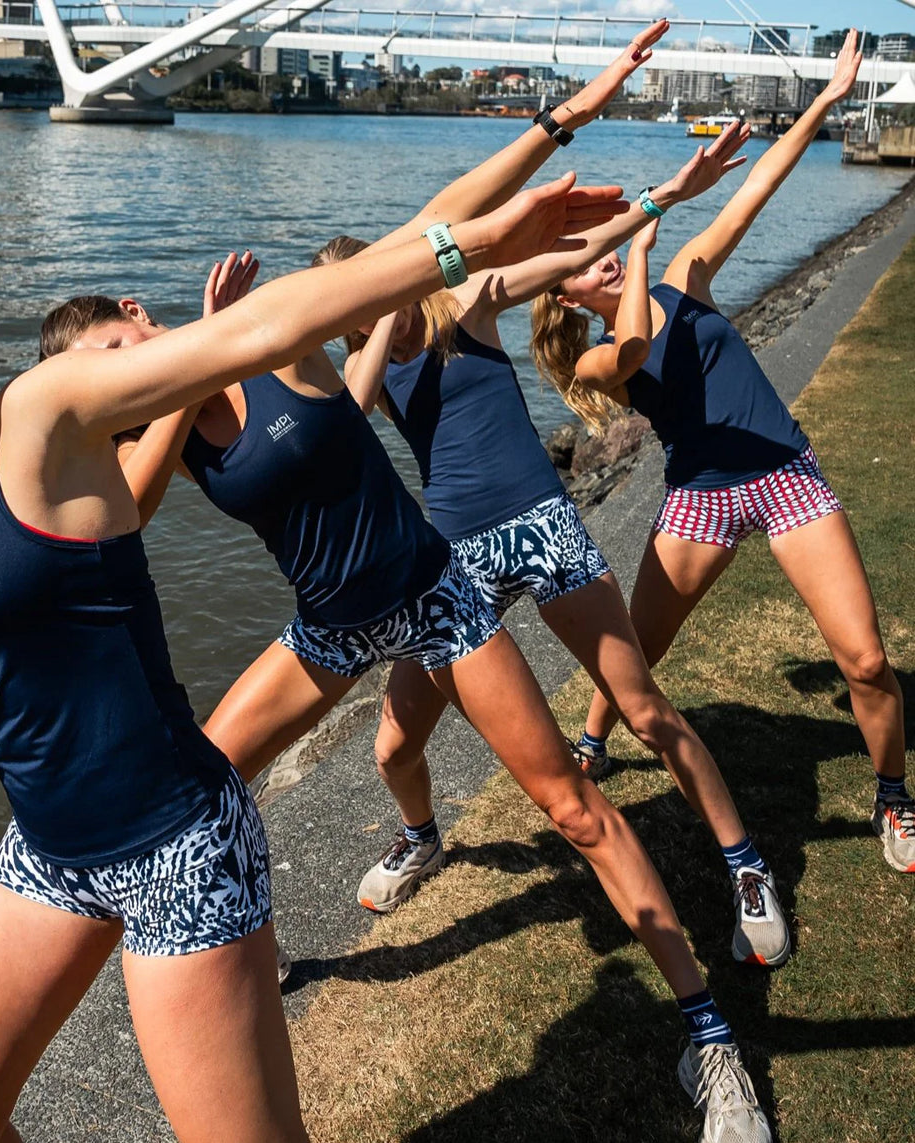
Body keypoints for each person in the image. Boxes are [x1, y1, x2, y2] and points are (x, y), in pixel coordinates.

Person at [0, 179, 599, 1143]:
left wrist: (463, 246)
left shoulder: (33, 421)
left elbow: (262, 328)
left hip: (174, 847)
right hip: (49, 854)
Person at [40, 26, 774, 1143]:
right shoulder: (159, 434)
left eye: (125, 348)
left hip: (434, 595)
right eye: (108, 377)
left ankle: (712, 1038)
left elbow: (434, 226)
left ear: (139, 309)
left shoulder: (278, 331)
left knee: (572, 808)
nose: (127, 373)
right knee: (199, 788)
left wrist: (569, 118)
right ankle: (237, 963)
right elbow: (119, 518)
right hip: (331, 626)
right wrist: (176, 380)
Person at [315, 120, 792, 969]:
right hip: (453, 564)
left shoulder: (469, 303)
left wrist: (662, 199)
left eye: (376, 288)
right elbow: (343, 428)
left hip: (543, 525)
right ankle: (420, 836)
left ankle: (746, 865)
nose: (373, 306)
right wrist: (375, 321)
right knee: (393, 747)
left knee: (643, 711)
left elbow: (575, 253)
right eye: (351, 305)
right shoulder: (366, 367)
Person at [530, 30, 911, 879]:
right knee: (638, 650)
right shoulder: (596, 358)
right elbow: (635, 348)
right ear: (570, 299)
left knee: (865, 660)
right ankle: (593, 738)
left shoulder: (687, 277)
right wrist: (637, 249)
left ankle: (894, 798)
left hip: (784, 475)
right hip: (700, 497)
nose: (599, 261)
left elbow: (759, 186)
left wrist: (826, 98)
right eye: (582, 265)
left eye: (599, 251)